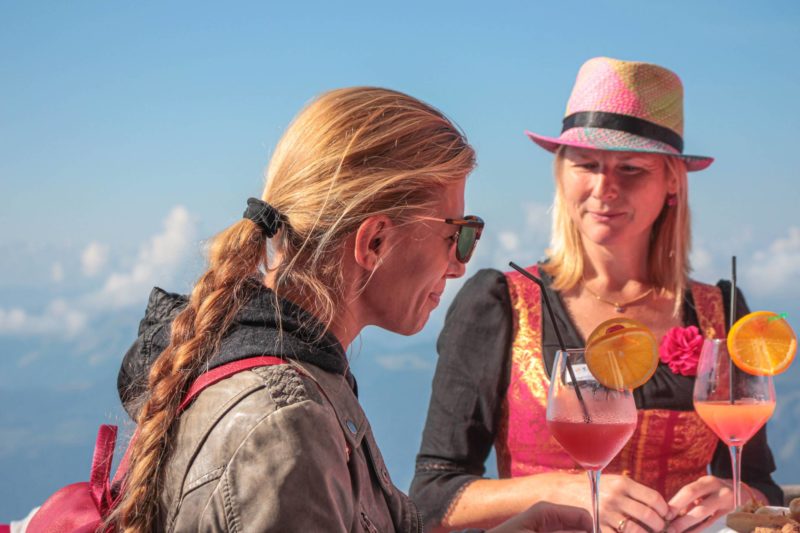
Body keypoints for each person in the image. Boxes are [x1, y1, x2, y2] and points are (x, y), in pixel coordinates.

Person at [110, 87, 592, 532]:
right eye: (457, 236)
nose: (459, 266)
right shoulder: (285, 429)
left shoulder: (288, 377)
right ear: (374, 241)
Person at [410, 57, 783, 533]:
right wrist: (564, 489)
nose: (605, 188)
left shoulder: (722, 312)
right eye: (586, 165)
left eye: (630, 168)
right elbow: (432, 496)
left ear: (672, 181)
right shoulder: (498, 302)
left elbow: (761, 484)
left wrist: (739, 494)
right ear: (561, 173)